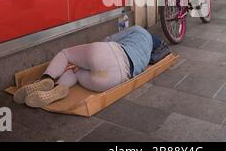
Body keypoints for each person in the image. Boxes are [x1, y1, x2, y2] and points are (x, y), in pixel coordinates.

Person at [13, 26, 169, 108]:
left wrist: (86, 57)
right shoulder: (148, 53)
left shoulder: (139, 30)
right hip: (112, 80)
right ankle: (58, 89)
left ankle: (47, 79)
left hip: (111, 54)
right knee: (77, 70)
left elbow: (108, 39)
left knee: (66, 55)